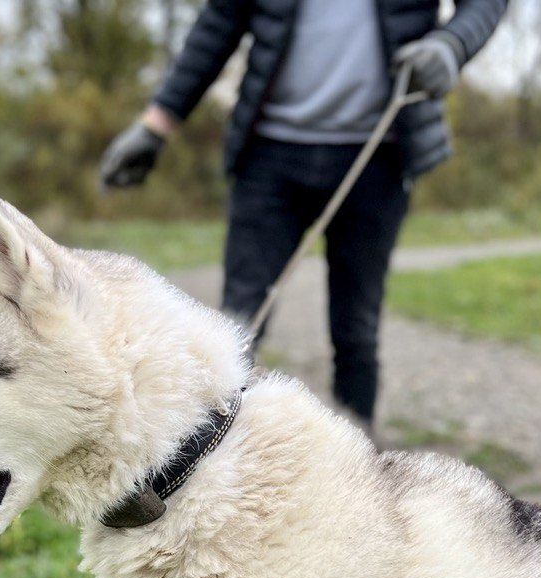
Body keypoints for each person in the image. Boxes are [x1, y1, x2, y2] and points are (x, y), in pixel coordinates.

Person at [100, 0, 508, 432]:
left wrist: (452, 44)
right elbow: (221, 20)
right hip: (268, 156)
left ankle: (358, 479)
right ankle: (211, 467)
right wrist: (156, 122)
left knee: (356, 332)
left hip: (377, 155)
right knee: (236, 327)